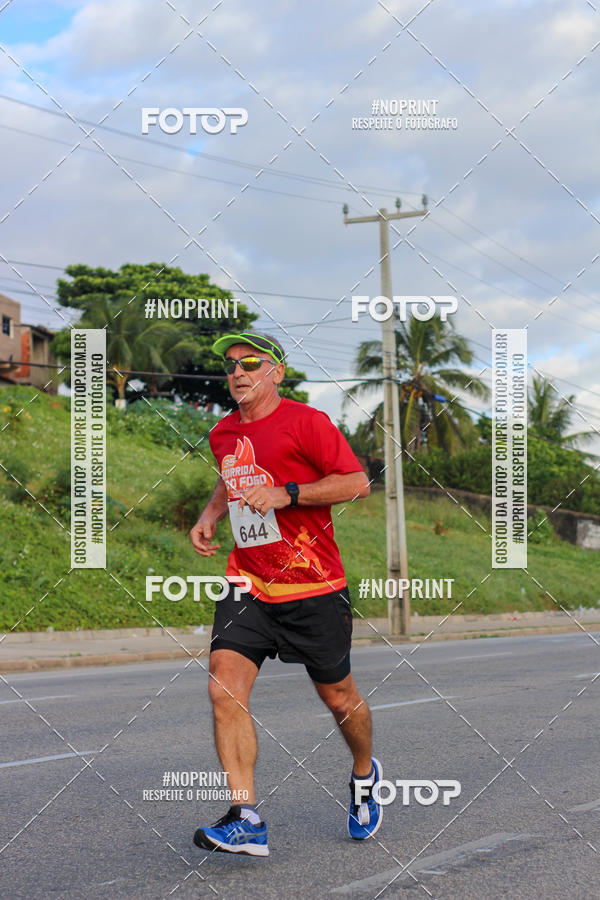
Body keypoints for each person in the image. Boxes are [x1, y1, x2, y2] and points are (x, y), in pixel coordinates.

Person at [190, 331, 382, 857]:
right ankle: (245, 816)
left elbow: (356, 482)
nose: (238, 372)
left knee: (338, 697)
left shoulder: (308, 423)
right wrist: (210, 515)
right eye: (230, 365)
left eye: (249, 362)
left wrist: (287, 493)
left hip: (314, 586)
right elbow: (229, 479)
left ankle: (364, 774)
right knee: (222, 688)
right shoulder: (223, 432)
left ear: (276, 371)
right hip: (247, 582)